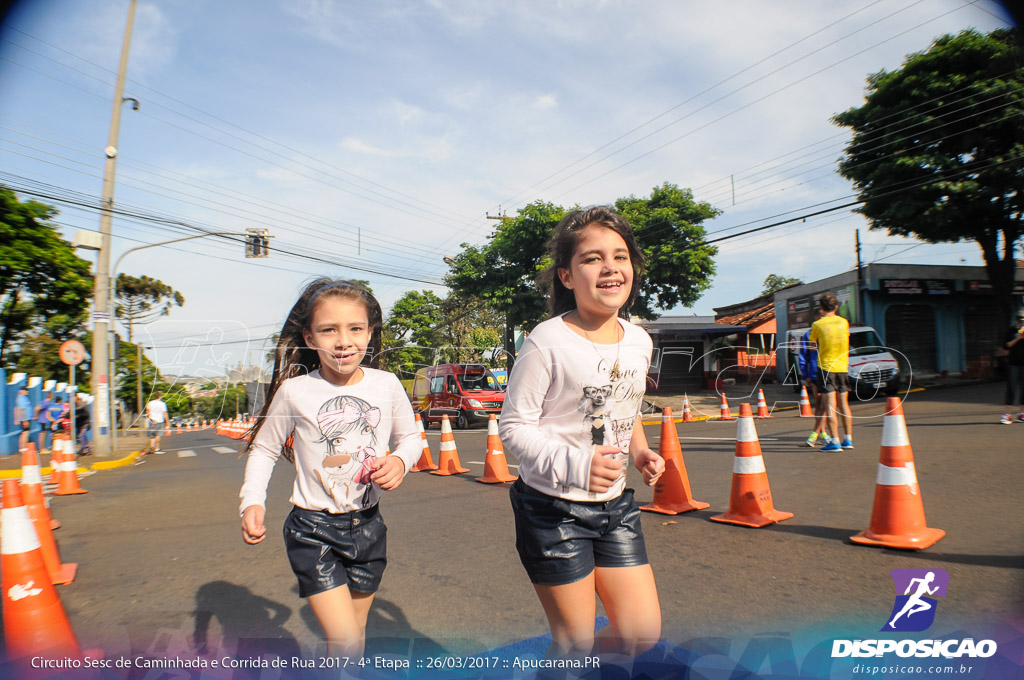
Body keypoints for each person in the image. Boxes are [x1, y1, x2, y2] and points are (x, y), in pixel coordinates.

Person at [499, 206, 666, 661]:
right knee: (575, 643)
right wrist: (578, 464)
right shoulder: (546, 342)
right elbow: (512, 428)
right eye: (592, 258)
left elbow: (622, 407)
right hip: (552, 510)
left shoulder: (639, 340)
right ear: (567, 276)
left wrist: (641, 451)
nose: (610, 267)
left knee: (640, 634)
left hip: (616, 505)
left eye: (620, 256)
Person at [239, 278, 420, 657]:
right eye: (329, 330)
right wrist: (252, 501)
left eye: (355, 329)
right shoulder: (295, 391)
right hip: (313, 531)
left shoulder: (387, 385)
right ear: (309, 338)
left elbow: (411, 440)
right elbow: (265, 449)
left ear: (370, 333)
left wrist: (400, 461)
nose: (343, 341)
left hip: (369, 527)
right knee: (347, 642)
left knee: (354, 637)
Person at [809, 294, 853, 452]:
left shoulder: (817, 325)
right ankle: (848, 439)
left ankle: (834, 441)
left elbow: (812, 345)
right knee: (844, 405)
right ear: (836, 307)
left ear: (821, 308)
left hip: (826, 367)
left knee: (830, 406)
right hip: (843, 367)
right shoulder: (844, 322)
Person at [796, 328, 830, 447]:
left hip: (830, 371)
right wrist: (805, 373)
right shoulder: (809, 335)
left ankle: (820, 433)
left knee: (825, 404)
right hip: (815, 373)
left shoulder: (831, 331)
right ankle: (821, 433)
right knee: (820, 403)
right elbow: (803, 355)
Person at [1000, 312, 1024, 424]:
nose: (1022, 323)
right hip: (1013, 363)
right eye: (1021, 320)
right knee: (1011, 388)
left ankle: (1021, 414)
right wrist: (1017, 338)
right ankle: (1007, 415)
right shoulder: (1012, 331)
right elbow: (1006, 346)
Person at [14, 387, 32, 452]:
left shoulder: (23, 398)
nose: (27, 392)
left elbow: (16, 408)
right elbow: (22, 410)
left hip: (26, 418)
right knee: (25, 433)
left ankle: (22, 447)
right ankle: (23, 447)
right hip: (25, 419)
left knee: (24, 433)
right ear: (22, 391)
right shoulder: (21, 398)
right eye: (26, 391)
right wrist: (25, 420)